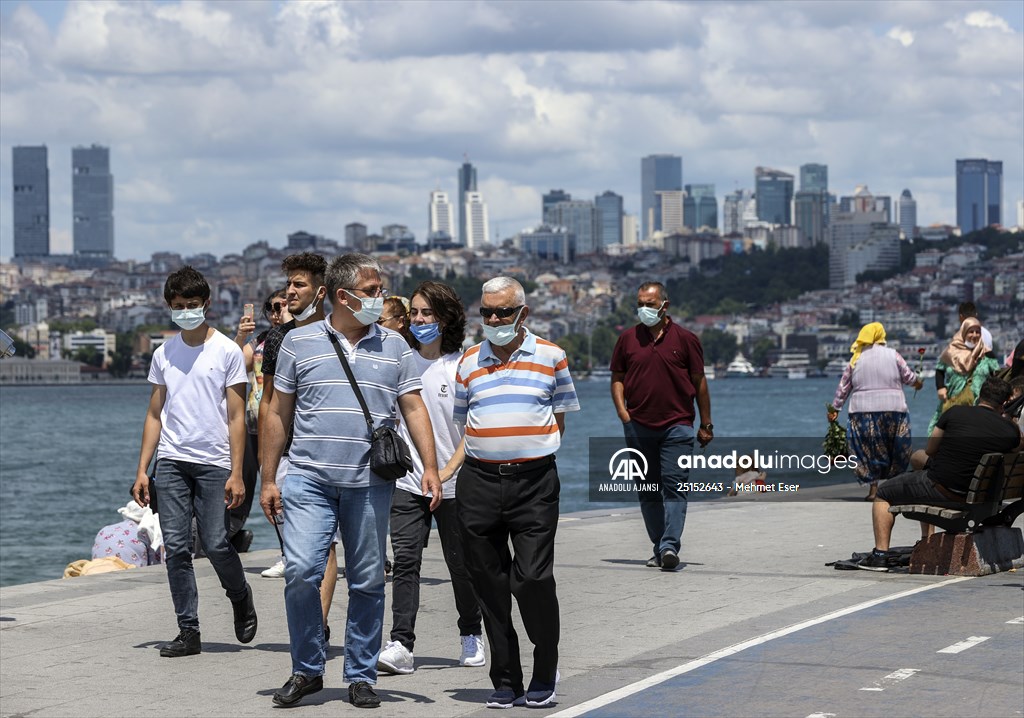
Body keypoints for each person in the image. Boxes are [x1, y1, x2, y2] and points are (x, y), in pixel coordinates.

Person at [260, 253, 442, 709]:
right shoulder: (298, 343)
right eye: (373, 290)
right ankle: (307, 668)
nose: (381, 298)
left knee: (365, 579)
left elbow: (414, 408)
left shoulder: (397, 347)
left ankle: (360, 674)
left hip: (369, 482)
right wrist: (268, 478)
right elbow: (277, 412)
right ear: (343, 296)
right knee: (301, 571)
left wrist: (432, 467)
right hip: (307, 477)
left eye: (381, 289)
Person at [454, 276, 579, 709]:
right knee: (489, 583)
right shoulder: (468, 361)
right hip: (479, 482)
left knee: (532, 578)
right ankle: (506, 679)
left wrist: (529, 451)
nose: (493, 319)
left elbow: (558, 418)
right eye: (486, 312)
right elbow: (465, 421)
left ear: (522, 314)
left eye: (502, 312)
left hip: (534, 483)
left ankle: (546, 667)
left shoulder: (552, 356)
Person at [131, 266, 257, 658]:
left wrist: (237, 473)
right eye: (179, 306)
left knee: (218, 543)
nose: (186, 311)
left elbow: (237, 417)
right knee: (176, 548)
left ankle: (240, 595)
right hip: (171, 461)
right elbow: (155, 413)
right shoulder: (163, 353)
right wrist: (141, 469)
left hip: (215, 462)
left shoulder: (227, 351)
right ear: (169, 307)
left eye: (193, 304)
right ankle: (189, 631)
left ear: (207, 304)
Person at [377, 281, 485, 676]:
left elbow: (473, 428)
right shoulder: (400, 361)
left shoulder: (464, 364)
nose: (420, 320)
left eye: (428, 313)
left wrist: (446, 470)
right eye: (416, 313)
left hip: (455, 481)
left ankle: (471, 633)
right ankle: (401, 643)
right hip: (408, 482)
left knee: (462, 564)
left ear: (446, 318)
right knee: (406, 561)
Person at [256, 254, 341, 641]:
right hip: (293, 459)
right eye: (288, 284)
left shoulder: (341, 333)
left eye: (299, 285)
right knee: (302, 555)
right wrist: (267, 472)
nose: (290, 291)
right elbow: (269, 403)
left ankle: (316, 629)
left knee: (327, 549)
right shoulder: (279, 338)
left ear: (320, 292)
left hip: (338, 458)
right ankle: (312, 627)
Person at [857, 376, 1022, 571]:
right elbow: (1018, 447)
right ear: (1003, 404)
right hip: (981, 496)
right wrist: (1008, 421)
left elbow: (932, 449)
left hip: (944, 490)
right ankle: (925, 539)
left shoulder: (954, 413)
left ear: (980, 396)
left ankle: (880, 556)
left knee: (883, 493)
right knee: (918, 458)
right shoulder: (1009, 430)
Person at [609, 281, 712, 570]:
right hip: (638, 426)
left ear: (664, 306)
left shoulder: (687, 339)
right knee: (647, 489)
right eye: (640, 303)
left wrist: (706, 423)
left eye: (649, 304)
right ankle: (659, 547)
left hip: (678, 426)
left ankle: (669, 546)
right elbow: (617, 377)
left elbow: (699, 383)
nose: (643, 309)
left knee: (675, 488)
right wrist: (622, 413)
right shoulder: (627, 339)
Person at [828, 322, 923, 501]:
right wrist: (918, 383)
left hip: (862, 411)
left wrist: (835, 408)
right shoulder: (893, 355)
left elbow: (843, 387)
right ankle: (894, 487)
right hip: (893, 410)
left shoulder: (856, 359)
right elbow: (908, 377)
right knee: (895, 448)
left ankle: (873, 489)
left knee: (867, 450)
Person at [227, 289, 292, 552]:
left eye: (282, 307)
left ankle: (289, 550)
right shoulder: (262, 341)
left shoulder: (297, 337)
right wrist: (241, 335)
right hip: (253, 427)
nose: (276, 313)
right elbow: (231, 362)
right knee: (244, 484)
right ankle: (228, 535)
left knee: (281, 488)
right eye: (272, 308)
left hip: (280, 428)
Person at [928, 317, 1001, 434]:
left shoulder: (987, 354)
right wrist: (940, 387)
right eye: (971, 331)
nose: (974, 335)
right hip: (953, 400)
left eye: (977, 332)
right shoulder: (951, 351)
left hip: (978, 404)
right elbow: (939, 370)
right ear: (963, 332)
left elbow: (997, 375)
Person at [92, 500, 163, 568]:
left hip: (94, 571)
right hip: (127, 574)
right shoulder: (146, 532)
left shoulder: (105, 529)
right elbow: (156, 564)